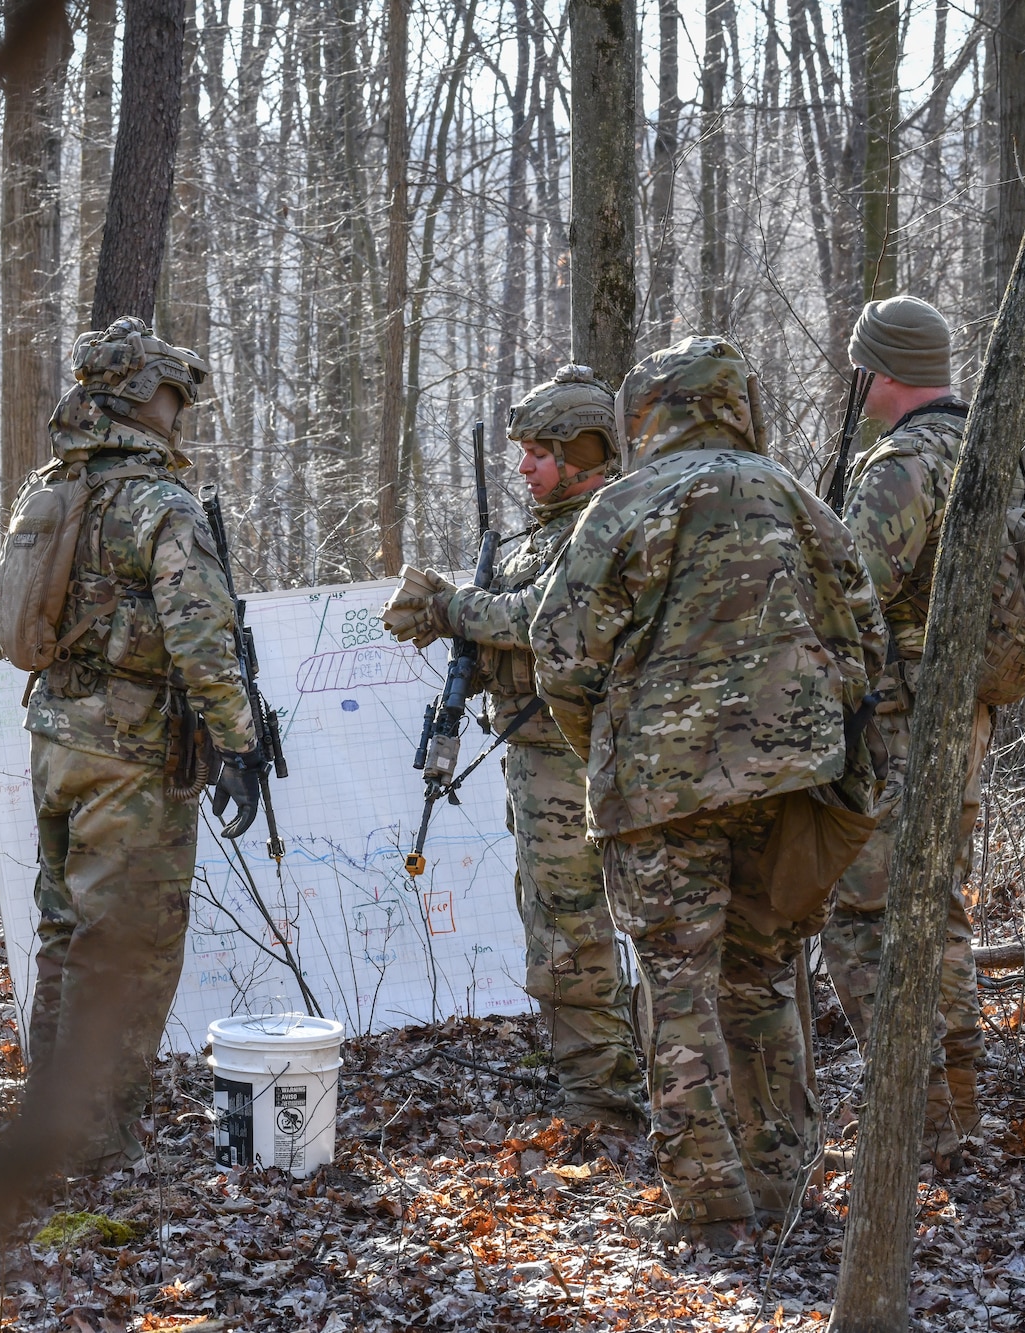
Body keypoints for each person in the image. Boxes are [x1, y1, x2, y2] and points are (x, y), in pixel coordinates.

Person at [530, 337, 886, 1251]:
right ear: (735, 404)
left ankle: (714, 1212)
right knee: (764, 977)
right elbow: (864, 645)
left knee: (677, 988)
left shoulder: (625, 504)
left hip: (658, 796)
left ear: (650, 412)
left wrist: (610, 749)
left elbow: (562, 654)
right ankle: (784, 1183)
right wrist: (809, 744)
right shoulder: (799, 500)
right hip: (790, 787)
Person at [19, 316, 260, 1176]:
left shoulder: (58, 489)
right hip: (131, 754)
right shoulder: (160, 503)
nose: (180, 411)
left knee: (64, 933)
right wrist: (237, 741)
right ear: (139, 399)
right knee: (126, 950)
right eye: (171, 394)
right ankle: (93, 1140)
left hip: (56, 740)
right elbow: (201, 636)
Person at [381, 366, 645, 1135]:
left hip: (578, 762)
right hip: (540, 757)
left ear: (582, 449)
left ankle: (602, 1097)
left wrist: (449, 608)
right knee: (556, 919)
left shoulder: (605, 523)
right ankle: (596, 1073)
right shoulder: (552, 531)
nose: (524, 466)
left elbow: (540, 616)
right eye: (523, 450)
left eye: (539, 450)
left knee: (572, 927)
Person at [822, 295, 992, 1158]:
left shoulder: (904, 463)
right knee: (939, 908)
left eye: (862, 366)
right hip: (962, 715)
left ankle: (916, 1106)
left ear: (883, 371)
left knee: (860, 916)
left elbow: (851, 594)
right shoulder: (984, 443)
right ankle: (952, 1105)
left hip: (899, 723)